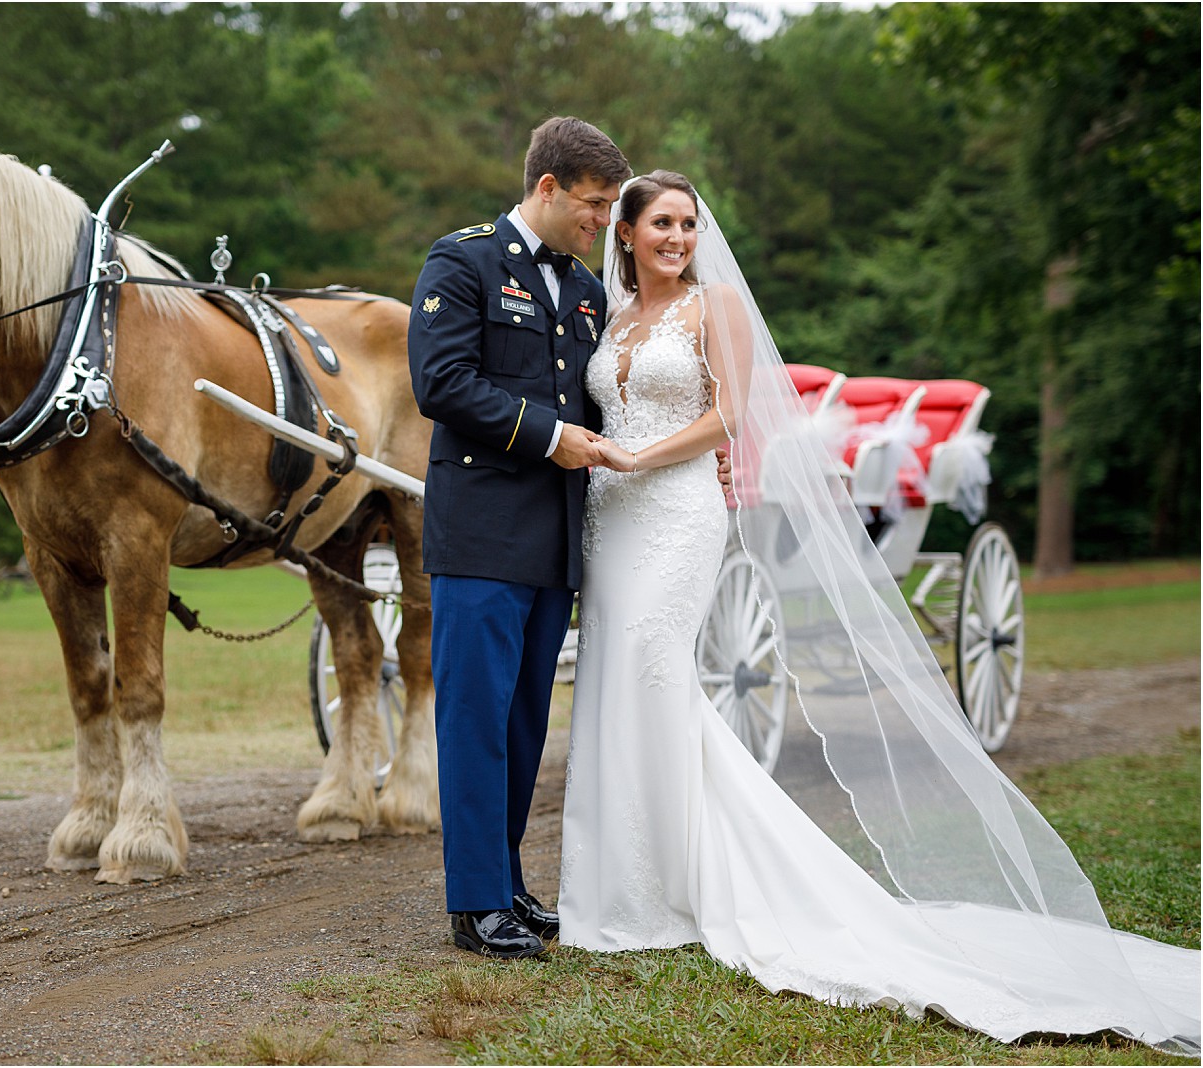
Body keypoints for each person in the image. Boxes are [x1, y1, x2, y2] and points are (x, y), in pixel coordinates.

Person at [556, 169, 1200, 1053]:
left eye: (688, 224)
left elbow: (730, 419)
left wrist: (633, 458)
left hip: (674, 513)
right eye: (660, 223)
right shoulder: (609, 317)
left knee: (654, 670)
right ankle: (617, 885)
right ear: (624, 232)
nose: (676, 237)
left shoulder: (715, 310)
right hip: (609, 519)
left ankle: (679, 887)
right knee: (609, 679)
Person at [405, 117, 629, 960]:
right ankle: (473, 904)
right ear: (547, 188)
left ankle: (507, 885)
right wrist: (548, 436)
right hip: (481, 532)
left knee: (524, 721)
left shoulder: (583, 291)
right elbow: (442, 383)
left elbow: (597, 404)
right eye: (594, 204)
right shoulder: (460, 261)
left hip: (554, 539)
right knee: (474, 718)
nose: (602, 221)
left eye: (609, 207)